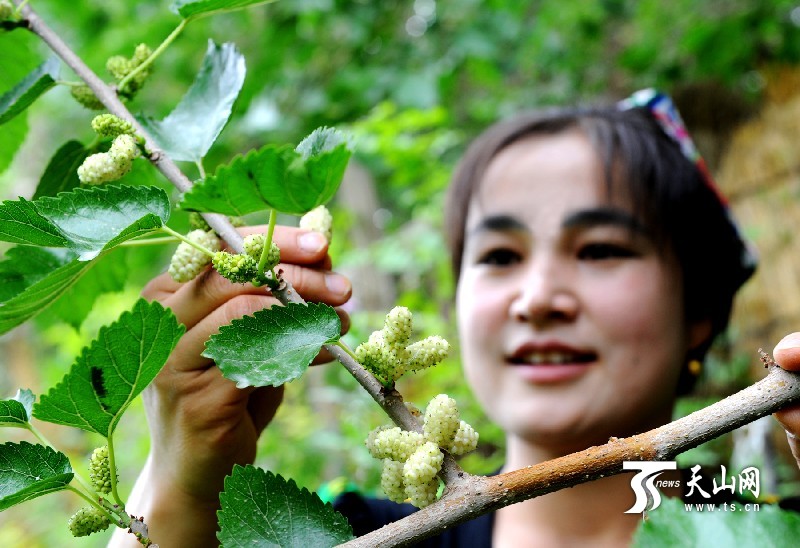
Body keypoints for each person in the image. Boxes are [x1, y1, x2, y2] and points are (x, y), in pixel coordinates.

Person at [111, 90, 800, 547]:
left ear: (701, 310)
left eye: (600, 249)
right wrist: (182, 491)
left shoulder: (766, 528)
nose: (538, 297)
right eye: (499, 254)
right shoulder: (346, 535)